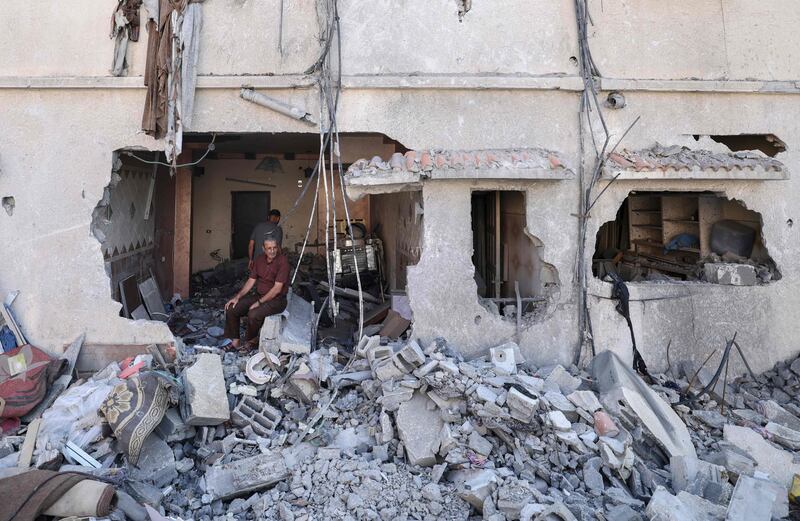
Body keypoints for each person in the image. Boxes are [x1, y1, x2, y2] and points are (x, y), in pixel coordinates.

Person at [224, 237, 289, 350]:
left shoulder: (283, 261)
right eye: (269, 248)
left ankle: (251, 340)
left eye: (274, 248)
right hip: (260, 296)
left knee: (253, 314)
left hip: (277, 300)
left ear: (277, 247)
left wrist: (259, 303)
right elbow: (251, 281)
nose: (272, 251)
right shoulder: (259, 260)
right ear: (263, 249)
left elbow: (277, 289)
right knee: (231, 308)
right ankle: (236, 341)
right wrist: (237, 297)